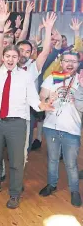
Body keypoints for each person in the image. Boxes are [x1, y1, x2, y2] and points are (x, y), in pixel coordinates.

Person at [0, 45, 53, 209]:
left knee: (16, 161)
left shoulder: (26, 77)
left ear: (18, 59)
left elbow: (33, 99)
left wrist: (42, 106)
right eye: (7, 56)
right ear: (3, 57)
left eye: (14, 57)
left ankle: (15, 194)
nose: (10, 60)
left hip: (17, 124)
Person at [39, 51, 82, 207]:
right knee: (52, 159)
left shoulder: (81, 80)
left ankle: (75, 191)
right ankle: (52, 184)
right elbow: (40, 98)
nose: (70, 64)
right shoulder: (52, 78)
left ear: (79, 63)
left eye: (74, 61)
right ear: (61, 62)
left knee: (71, 163)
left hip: (72, 129)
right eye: (66, 61)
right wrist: (50, 97)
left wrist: (77, 98)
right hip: (51, 126)